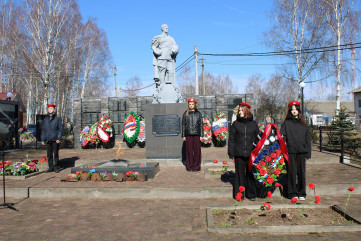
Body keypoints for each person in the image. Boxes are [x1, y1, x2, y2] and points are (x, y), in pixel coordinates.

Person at [228, 102, 259, 200]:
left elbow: (257, 139)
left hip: (251, 154)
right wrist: (231, 152)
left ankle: (251, 194)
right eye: (239, 110)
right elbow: (232, 139)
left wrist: (257, 152)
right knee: (239, 174)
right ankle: (239, 194)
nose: (240, 112)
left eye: (242, 110)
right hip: (239, 153)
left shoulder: (254, 124)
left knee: (251, 174)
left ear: (247, 111)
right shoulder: (235, 124)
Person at [281, 100, 311, 201]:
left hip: (301, 151)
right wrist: (285, 147)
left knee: (301, 172)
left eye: (296, 109)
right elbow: (282, 137)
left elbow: (307, 139)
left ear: (298, 111)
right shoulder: (286, 123)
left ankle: (302, 192)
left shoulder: (303, 124)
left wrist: (308, 153)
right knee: (291, 172)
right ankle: (292, 192)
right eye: (292, 110)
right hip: (290, 152)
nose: (294, 111)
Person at [182, 98, 203, 172]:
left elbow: (201, 125)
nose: (191, 105)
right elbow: (183, 125)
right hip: (189, 135)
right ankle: (190, 167)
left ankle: (196, 166)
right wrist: (183, 135)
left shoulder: (198, 114)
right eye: (190, 104)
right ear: (188, 105)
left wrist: (201, 135)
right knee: (189, 152)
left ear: (194, 105)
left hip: (197, 135)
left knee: (197, 151)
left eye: (192, 104)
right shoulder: (185, 114)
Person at [41, 104, 63, 173]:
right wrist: (43, 139)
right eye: (49, 108)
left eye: (51, 108)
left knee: (55, 153)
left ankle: (56, 166)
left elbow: (60, 129)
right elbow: (44, 130)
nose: (50, 110)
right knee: (49, 154)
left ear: (54, 109)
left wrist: (59, 138)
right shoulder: (45, 119)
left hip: (55, 139)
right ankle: (50, 167)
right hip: (48, 139)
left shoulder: (58, 118)